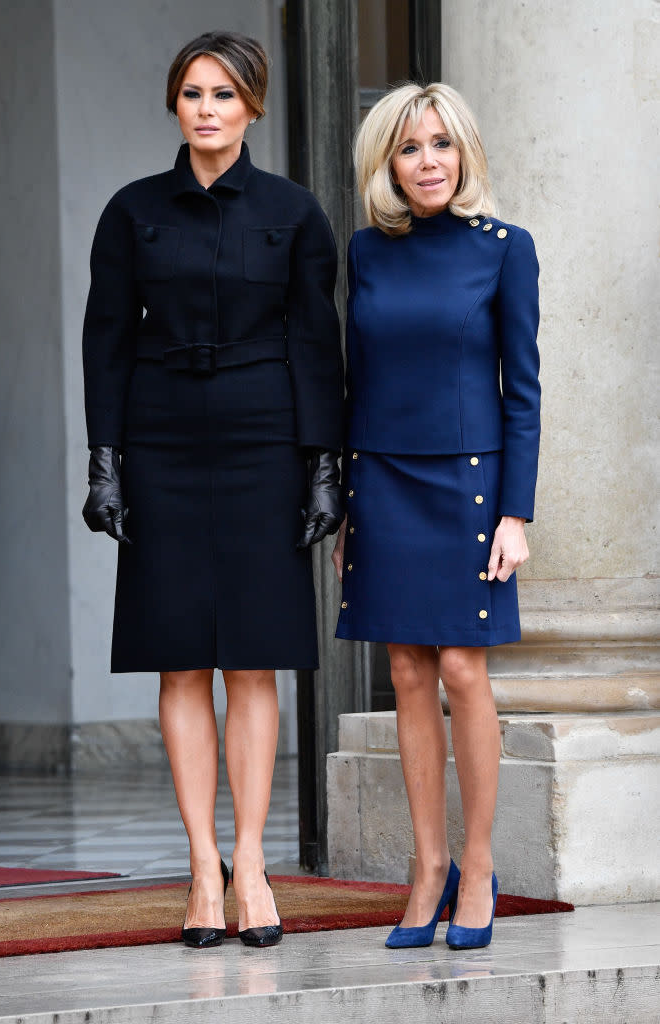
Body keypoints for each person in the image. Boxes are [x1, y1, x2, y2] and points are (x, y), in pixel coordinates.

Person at [81, 31, 343, 949]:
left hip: (263, 438)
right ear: (175, 104)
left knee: (252, 658)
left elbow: (317, 343)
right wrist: (105, 459)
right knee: (179, 656)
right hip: (160, 441)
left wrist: (323, 463)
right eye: (191, 92)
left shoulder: (295, 211)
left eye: (223, 94)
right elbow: (106, 338)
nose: (205, 108)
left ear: (253, 107)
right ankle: (202, 870)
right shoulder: (131, 211)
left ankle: (255, 867)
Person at [332, 82, 540, 951]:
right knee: (407, 674)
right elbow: (355, 380)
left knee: (460, 667)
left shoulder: (505, 249)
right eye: (411, 148)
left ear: (465, 154)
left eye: (442, 145)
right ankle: (426, 870)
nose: (428, 163)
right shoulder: (366, 251)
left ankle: (479, 866)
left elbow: (521, 390)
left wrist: (516, 514)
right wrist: (348, 502)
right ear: (387, 162)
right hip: (381, 476)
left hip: (469, 484)